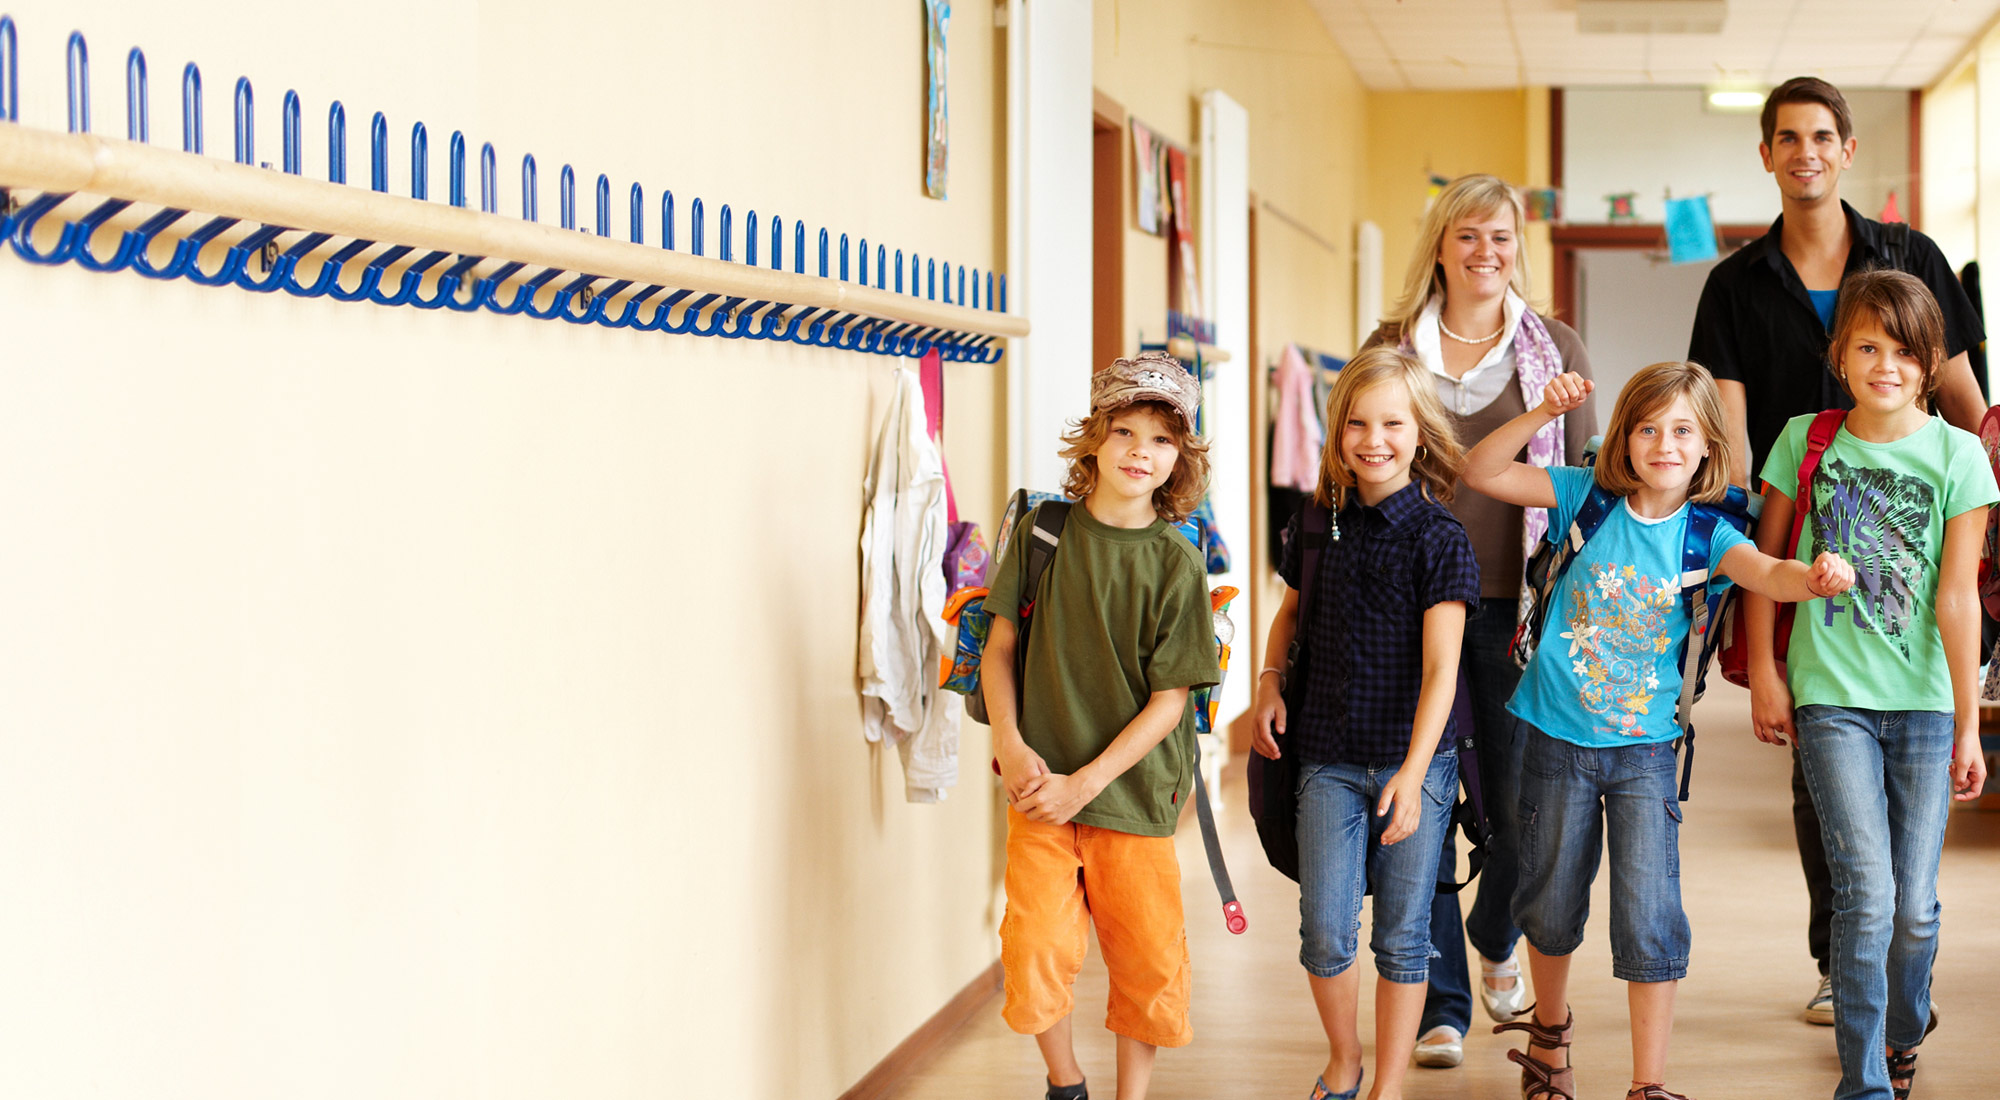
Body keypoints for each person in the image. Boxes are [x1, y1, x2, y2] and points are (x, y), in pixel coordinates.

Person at [1464, 361, 1854, 1100]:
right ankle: (1550, 1041)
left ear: (1708, 445)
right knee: (1548, 903)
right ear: (1623, 438)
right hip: (1553, 738)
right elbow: (1483, 470)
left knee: (1649, 915)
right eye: (1647, 428)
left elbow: (1767, 572)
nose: (1664, 444)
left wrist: (1813, 578)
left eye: (1682, 430)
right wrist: (1543, 411)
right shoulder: (1587, 497)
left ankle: (1649, 1083)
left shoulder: (1707, 533)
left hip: (1644, 753)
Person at [1686, 75, 1988, 1026]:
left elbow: (1965, 397)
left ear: (1848, 150)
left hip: (1911, 538)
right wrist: (1737, 571)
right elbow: (1729, 431)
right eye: (1788, 137)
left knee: (1902, 801)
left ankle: (1886, 966)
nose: (1806, 151)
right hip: (1799, 539)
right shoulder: (1733, 284)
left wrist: (1985, 469)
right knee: (1822, 783)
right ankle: (1840, 954)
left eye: (1824, 135)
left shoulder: (1914, 256)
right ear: (1766, 154)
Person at [1364, 172, 1600, 1066]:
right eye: (1467, 236)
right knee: (1410, 796)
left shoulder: (1557, 347)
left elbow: (1577, 488)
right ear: (1439, 246)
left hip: (1518, 604)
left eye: (1501, 237)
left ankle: (1494, 931)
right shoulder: (1392, 346)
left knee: (1519, 811)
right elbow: (1364, 454)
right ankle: (1443, 1005)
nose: (1485, 253)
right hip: (1407, 602)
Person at [1741, 270, 1994, 1100]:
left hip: (1923, 705)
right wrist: (1766, 675)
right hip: (1832, 699)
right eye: (1867, 347)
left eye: (1903, 351)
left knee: (1915, 908)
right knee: (1866, 897)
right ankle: (1864, 1084)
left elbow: (1959, 596)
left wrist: (1967, 723)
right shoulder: (1804, 440)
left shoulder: (1959, 453)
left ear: (1929, 363)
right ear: (1840, 355)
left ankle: (1901, 1027)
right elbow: (1761, 568)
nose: (1885, 365)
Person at [982, 353, 1221, 1100]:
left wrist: (1084, 783)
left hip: (1132, 796)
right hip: (1038, 788)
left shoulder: (1178, 564)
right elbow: (999, 650)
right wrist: (1010, 745)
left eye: (1159, 438)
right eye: (1123, 430)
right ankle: (1066, 1084)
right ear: (1094, 439)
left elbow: (1170, 700)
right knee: (1033, 949)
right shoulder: (1043, 533)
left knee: (1147, 961)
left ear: (1179, 457)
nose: (1138, 451)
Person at [1250, 346, 1482, 1100]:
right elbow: (1290, 612)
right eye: (1356, 422)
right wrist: (1269, 684)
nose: (1373, 439)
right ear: (1337, 429)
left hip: (1414, 762)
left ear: (1420, 434)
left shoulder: (1439, 536)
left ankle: (1385, 1085)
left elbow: (1444, 670)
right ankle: (1343, 1058)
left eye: (1392, 423)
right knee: (1324, 929)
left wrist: (1415, 778)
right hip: (1325, 758)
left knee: (1404, 937)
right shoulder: (1317, 522)